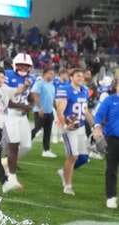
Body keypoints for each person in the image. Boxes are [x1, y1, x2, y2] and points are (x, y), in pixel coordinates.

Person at [56, 68, 96, 196]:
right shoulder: (65, 89)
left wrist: (94, 125)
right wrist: (65, 125)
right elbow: (60, 110)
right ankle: (67, 185)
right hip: (69, 128)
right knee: (72, 156)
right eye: (78, 76)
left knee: (83, 158)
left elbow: (85, 111)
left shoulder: (84, 90)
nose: (80, 78)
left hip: (81, 127)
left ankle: (64, 171)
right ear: (71, 77)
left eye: (82, 76)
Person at [3, 53, 34, 182]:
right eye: (21, 65)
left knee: (26, 146)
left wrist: (30, 105)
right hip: (9, 114)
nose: (23, 68)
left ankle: (6, 161)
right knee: (13, 145)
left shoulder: (31, 78)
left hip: (22, 116)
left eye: (26, 66)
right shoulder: (7, 76)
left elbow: (30, 96)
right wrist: (22, 106)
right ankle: (12, 176)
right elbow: (4, 98)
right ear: (15, 65)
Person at [92, 78, 119, 209]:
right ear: (116, 86)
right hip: (112, 139)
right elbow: (99, 116)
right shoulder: (109, 100)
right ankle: (111, 197)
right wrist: (97, 128)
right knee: (111, 169)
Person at [31, 68, 58, 158]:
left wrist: (57, 110)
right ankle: (24, 142)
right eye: (50, 73)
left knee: (47, 131)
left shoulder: (52, 86)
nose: (52, 75)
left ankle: (46, 150)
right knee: (37, 129)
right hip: (41, 110)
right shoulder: (39, 84)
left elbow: (53, 99)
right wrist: (39, 108)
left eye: (52, 74)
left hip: (49, 111)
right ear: (45, 74)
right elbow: (35, 96)